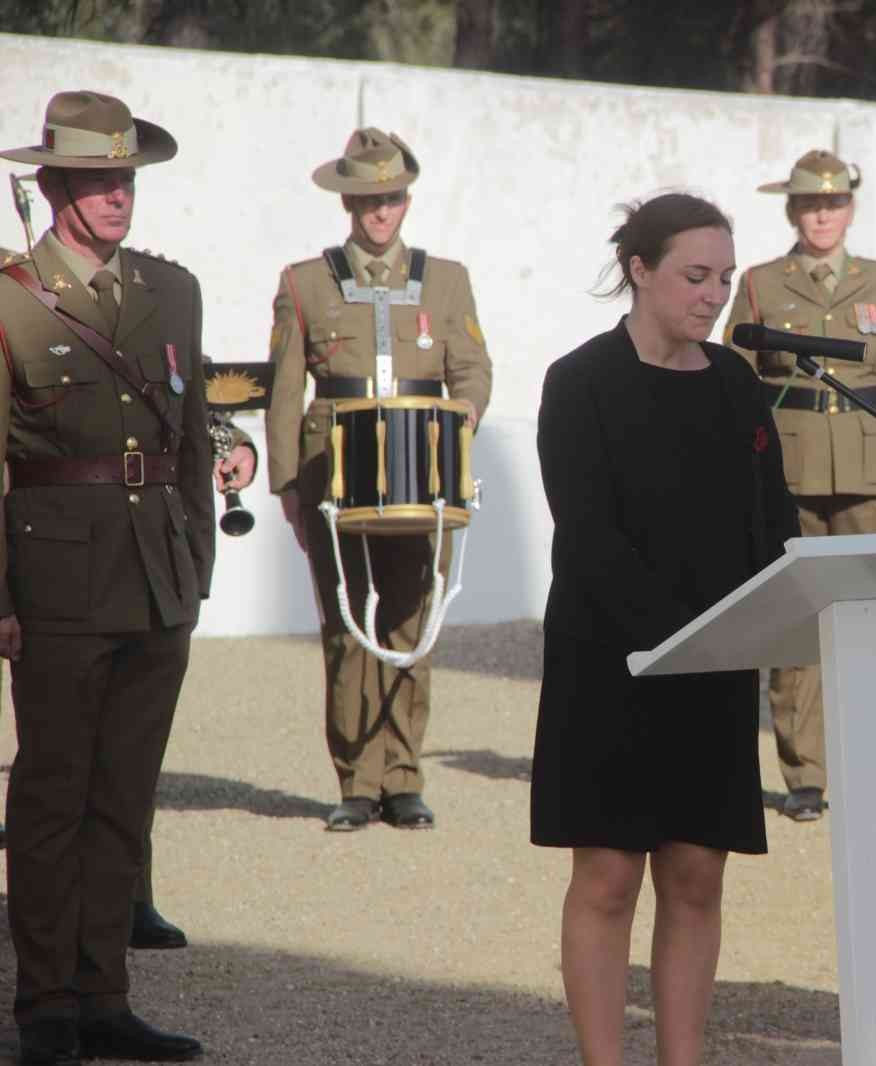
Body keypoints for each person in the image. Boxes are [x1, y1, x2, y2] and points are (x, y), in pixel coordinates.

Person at [532, 192, 798, 1066]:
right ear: (639, 271)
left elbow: (773, 524)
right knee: (607, 878)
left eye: (723, 277)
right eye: (695, 275)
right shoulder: (580, 383)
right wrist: (677, 638)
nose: (714, 294)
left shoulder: (736, 385)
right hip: (612, 661)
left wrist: (764, 617)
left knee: (696, 875)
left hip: (716, 662)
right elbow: (589, 532)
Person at [0, 89, 212, 1065]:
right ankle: (45, 1005)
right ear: (50, 186)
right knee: (51, 794)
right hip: (53, 571)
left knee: (124, 794)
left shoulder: (172, 291)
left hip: (156, 573)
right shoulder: (7, 295)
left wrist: (197, 563)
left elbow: (192, 440)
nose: (118, 193)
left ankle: (103, 996)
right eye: (97, 177)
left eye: (126, 176)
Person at [265, 128, 492, 831]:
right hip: (335, 477)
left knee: (411, 619)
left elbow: (473, 371)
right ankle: (355, 783)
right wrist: (288, 487)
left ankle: (403, 777)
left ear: (406, 199)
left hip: (424, 474)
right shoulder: (305, 281)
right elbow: (284, 390)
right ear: (347, 201)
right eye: (367, 199)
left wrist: (459, 427)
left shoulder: (447, 278)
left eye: (390, 198)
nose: (379, 212)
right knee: (346, 625)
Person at [724, 148, 876, 821]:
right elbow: (733, 385)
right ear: (792, 209)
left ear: (850, 208)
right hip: (787, 470)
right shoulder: (760, 283)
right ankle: (805, 774)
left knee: (866, 619)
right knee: (797, 624)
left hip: (872, 472)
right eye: (811, 203)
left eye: (834, 202)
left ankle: (863, 761)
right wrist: (742, 473)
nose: (822, 214)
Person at [130, 416, 257, 950]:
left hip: (142, 551)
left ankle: (128, 897)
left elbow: (184, 393)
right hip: (43, 542)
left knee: (128, 748)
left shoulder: (155, 327)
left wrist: (236, 445)